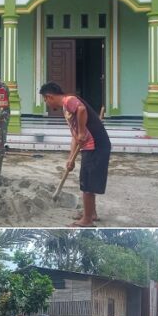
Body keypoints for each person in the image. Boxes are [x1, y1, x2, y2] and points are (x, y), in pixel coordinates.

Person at [39, 82, 112, 227]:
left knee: (88, 184)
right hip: (90, 147)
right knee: (87, 181)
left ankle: (87, 220)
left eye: (45, 100)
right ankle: (91, 213)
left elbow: (82, 109)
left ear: (49, 96)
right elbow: (75, 136)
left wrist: (81, 131)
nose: (46, 103)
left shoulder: (69, 100)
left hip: (96, 146)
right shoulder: (66, 108)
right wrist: (70, 158)